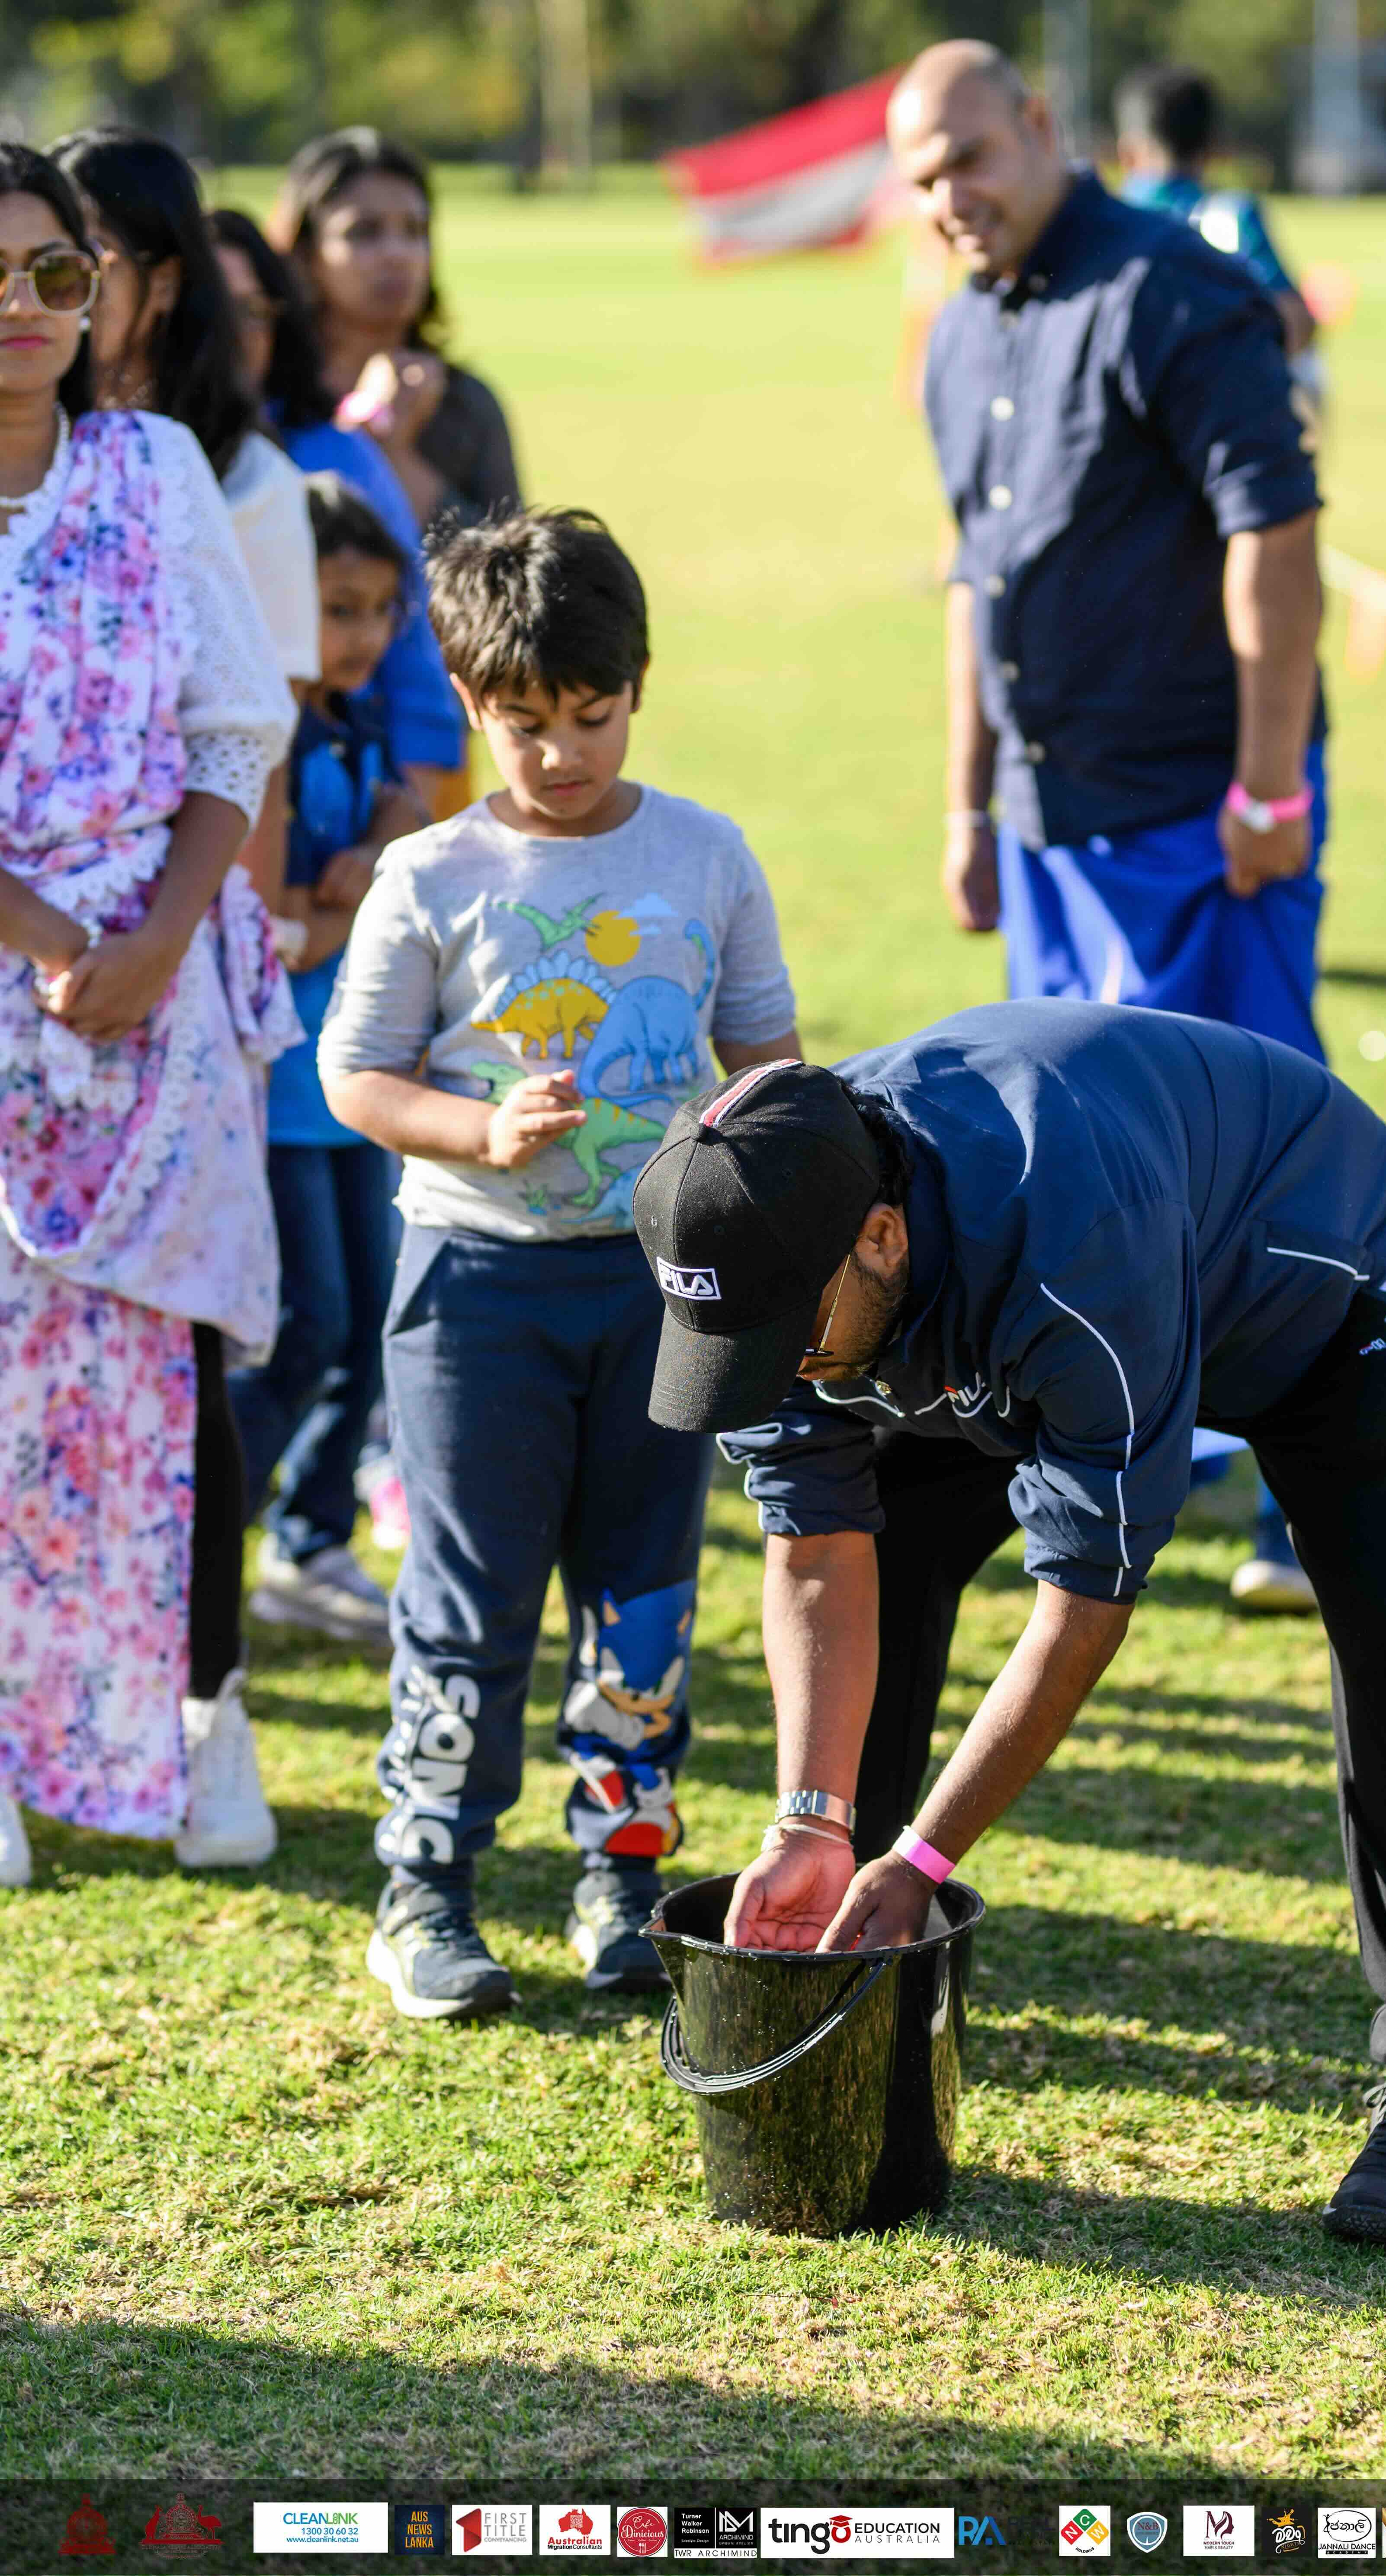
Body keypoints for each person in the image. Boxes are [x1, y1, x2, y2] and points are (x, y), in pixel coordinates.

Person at [632, 1004, 1386, 2249]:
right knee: (889, 1546)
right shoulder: (774, 1224)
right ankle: (853, 1966)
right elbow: (817, 1552)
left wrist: (928, 1859)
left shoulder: (1072, 1244)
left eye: (789, 1336)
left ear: (881, 1236)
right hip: (983, 1315)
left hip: (1320, 1278)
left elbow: (1083, 1606)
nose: (772, 1370)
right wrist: (807, 1820)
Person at [319, 509, 802, 2017]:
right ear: (473, 701)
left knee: (643, 1590)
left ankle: (623, 1873)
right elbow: (355, 1074)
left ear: (637, 686)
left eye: (593, 716)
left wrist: (750, 1164)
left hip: (663, 1296)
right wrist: (476, 1130)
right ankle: (428, 1887)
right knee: (471, 1595)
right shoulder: (429, 871)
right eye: (525, 722)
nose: (562, 752)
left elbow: (768, 1059)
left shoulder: (706, 855)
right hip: (475, 1288)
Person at [890, 40, 1327, 1613]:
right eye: (922, 177)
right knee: (1081, 1171)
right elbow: (974, 580)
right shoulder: (956, 330)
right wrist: (968, 799)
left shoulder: (1168, 287)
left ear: (1040, 124)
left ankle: (1307, 1504)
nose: (949, 195)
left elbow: (1274, 533)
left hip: (1201, 817)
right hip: (1046, 820)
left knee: (1251, 1169)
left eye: (969, 156)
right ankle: (1144, 1455)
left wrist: (1267, 783)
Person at [0, 145, 296, 1889]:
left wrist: (158, 934)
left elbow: (233, 726)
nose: (25, 306)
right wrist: (49, 935)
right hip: (23, 978)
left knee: (174, 1363)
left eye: (55, 272)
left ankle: (206, 1714)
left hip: (158, 998)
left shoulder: (154, 467)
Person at [229, 479, 425, 1651]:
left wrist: (385, 847)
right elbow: (280, 930)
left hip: (359, 1089)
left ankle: (308, 1544)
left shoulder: (352, 727)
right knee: (306, 1327)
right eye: (336, 608)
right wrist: (372, 880)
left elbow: (393, 833)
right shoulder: (267, 739)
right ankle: (205, 1532)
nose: (360, 634)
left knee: (366, 1331)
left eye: (379, 609)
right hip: (281, 1096)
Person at [210, 208, 465, 820]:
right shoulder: (128, 458)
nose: (234, 336)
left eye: (253, 311)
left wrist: (397, 834)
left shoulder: (337, 453)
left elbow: (414, 657)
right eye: (213, 312)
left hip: (346, 805)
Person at [54, 132, 319, 699]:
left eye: (90, 259)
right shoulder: (25, 448)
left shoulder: (249, 480)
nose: (62, 288)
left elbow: (270, 711)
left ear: (166, 284)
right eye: (46, 262)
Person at [268, 129, 520, 542]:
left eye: (415, 231)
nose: (397, 254)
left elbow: (512, 569)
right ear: (305, 255)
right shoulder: (261, 396)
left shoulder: (466, 405)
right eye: (364, 232)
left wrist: (397, 456)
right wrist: (358, 441)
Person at [1115, 64, 1315, 359]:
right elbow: (1296, 323)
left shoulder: (1098, 225)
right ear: (1213, 148)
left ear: (1127, 153)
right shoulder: (1230, 218)